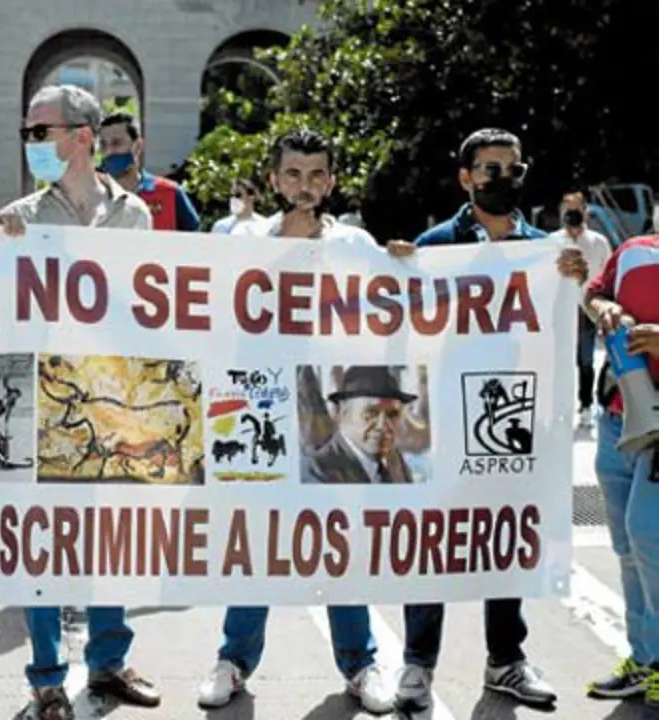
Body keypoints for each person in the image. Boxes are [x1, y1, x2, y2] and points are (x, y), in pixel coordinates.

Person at [387, 128, 588, 712]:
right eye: (490, 169)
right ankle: (418, 665)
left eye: (512, 168)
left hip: (510, 415)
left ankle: (506, 660)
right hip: (443, 418)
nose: (503, 178)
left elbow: (556, 333)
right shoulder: (435, 244)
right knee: (434, 543)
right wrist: (397, 270)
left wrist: (572, 280)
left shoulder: (544, 250)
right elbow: (399, 331)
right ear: (466, 178)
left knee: (504, 538)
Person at [198, 129, 395, 715]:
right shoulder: (241, 239)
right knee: (255, 545)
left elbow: (399, 305)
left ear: (331, 181)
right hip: (260, 415)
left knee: (337, 542)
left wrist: (411, 266)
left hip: (331, 418)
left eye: (316, 175)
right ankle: (234, 660)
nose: (304, 186)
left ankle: (360, 665)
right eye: (292, 175)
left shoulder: (357, 243)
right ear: (273, 180)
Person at [0, 83, 157, 720]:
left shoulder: (135, 216)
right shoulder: (20, 219)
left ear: (82, 138)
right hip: (47, 403)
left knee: (111, 540)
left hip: (116, 402)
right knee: (47, 544)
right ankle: (47, 677)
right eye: (28, 133)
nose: (30, 143)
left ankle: (109, 664)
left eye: (40, 131)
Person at [581, 234, 659, 710]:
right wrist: (604, 307)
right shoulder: (633, 249)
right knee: (628, 550)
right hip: (617, 419)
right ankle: (642, 658)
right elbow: (593, 292)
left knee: (648, 541)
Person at [549, 189, 612, 427]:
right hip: (560, 308)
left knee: (585, 360)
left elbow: (608, 274)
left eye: (577, 209)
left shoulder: (598, 242)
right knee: (560, 360)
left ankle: (586, 405)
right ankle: (560, 407)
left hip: (585, 307)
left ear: (585, 211)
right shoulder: (551, 242)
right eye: (568, 209)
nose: (573, 214)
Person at [302, 366, 417, 484]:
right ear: (344, 413)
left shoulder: (396, 465)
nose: (382, 425)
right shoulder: (316, 469)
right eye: (371, 413)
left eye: (392, 414)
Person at [97, 111, 200, 231]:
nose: (109, 151)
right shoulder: (94, 196)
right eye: (103, 145)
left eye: (117, 143)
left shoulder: (170, 193)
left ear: (138, 146)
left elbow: (195, 242)